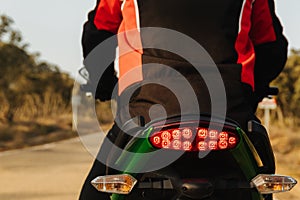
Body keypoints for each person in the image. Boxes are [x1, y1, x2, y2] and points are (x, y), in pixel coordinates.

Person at [78, 0, 288, 199]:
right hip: (229, 111)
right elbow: (271, 49)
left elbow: (97, 34)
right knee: (259, 184)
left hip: (147, 107)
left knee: (97, 190)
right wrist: (252, 91)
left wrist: (105, 84)